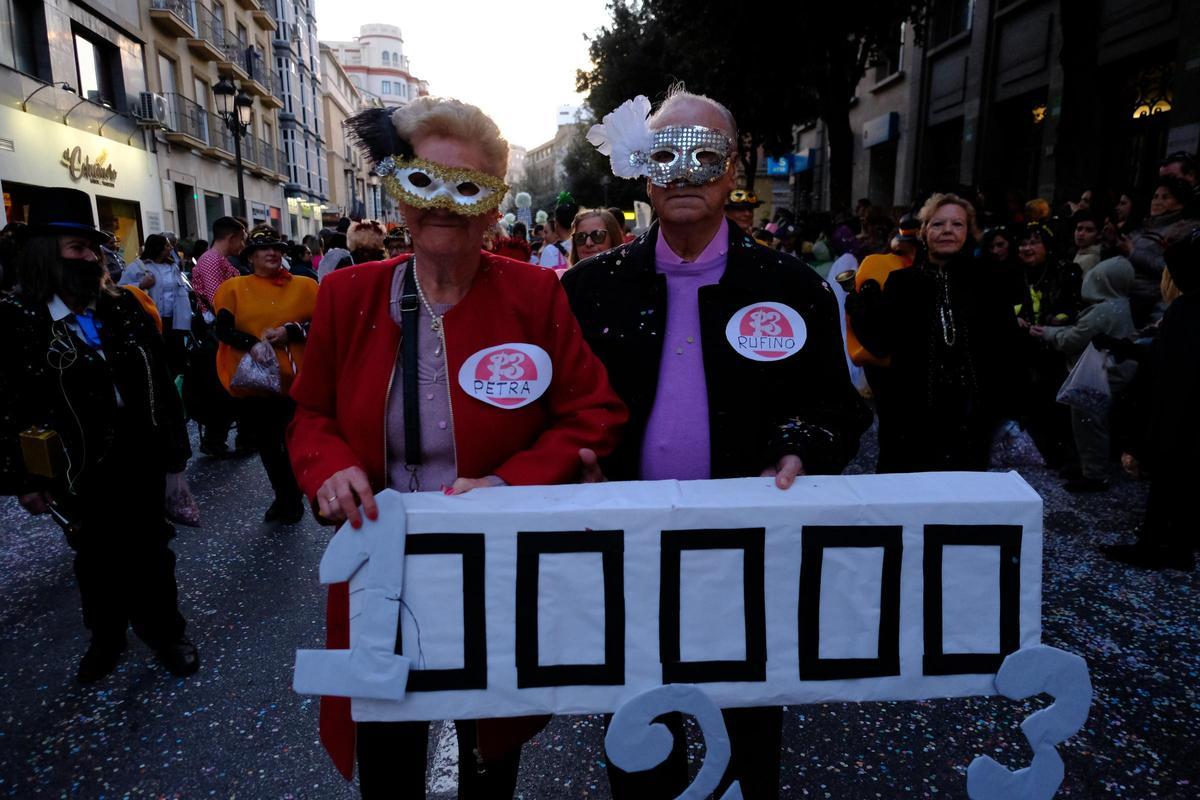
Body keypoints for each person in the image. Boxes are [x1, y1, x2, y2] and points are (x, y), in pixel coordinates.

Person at [293, 96, 628, 799]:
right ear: (398, 192)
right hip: (381, 559)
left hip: (495, 563)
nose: (443, 206)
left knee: (489, 752)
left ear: (493, 204)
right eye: (425, 183)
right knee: (387, 748)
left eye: (467, 187)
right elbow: (311, 416)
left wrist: (513, 483)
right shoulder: (347, 294)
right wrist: (329, 467)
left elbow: (593, 414)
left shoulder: (535, 293)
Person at [567, 87, 870, 800]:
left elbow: (837, 405)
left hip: (750, 550)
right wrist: (568, 464)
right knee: (639, 727)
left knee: (749, 728)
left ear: (732, 169)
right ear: (642, 170)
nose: (683, 174)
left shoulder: (793, 287)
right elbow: (559, 409)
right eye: (663, 156)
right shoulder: (587, 290)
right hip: (627, 549)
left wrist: (801, 445)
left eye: (704, 156)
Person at [0, 187, 198, 684]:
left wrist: (175, 458)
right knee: (95, 557)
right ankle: (106, 638)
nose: (91, 257)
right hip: (76, 464)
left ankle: (166, 633)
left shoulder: (123, 308)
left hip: (139, 453)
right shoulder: (18, 320)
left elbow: (159, 383)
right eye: (77, 249)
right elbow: (8, 404)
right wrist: (25, 478)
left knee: (152, 550)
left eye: (93, 248)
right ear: (47, 254)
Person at [847, 193, 1022, 471]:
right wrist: (860, 308)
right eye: (939, 224)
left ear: (969, 231)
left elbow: (1007, 345)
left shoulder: (988, 280)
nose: (948, 231)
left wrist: (995, 407)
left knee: (957, 501)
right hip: (910, 416)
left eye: (957, 224)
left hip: (970, 417)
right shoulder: (902, 282)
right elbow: (881, 342)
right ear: (924, 232)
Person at [1100, 230, 1199, 570]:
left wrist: (1141, 442)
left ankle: (1159, 546)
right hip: (1184, 418)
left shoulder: (1185, 311)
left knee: (1170, 481)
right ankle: (1175, 546)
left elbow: (1167, 376)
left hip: (1178, 419)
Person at [213, 225, 316, 524]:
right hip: (258, 385)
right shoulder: (232, 289)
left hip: (301, 383)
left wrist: (291, 331)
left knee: (299, 442)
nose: (272, 253)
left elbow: (324, 326)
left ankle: (300, 491)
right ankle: (286, 497)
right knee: (269, 445)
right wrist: (252, 344)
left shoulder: (307, 286)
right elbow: (223, 330)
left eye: (277, 248)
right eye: (263, 249)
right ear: (251, 256)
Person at [1031, 256, 1137, 491]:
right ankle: (1088, 464)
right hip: (1115, 371)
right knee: (1093, 422)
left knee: (1087, 420)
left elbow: (1074, 339)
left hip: (1099, 375)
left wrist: (1046, 333)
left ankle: (1094, 473)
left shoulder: (1102, 310)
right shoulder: (1120, 304)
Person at [1013, 222, 1082, 471]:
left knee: (1057, 404)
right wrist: (1015, 320)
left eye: (1033, 242)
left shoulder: (1064, 271)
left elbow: (1072, 307)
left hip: (1056, 348)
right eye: (1023, 243)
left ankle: (1066, 458)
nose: (1026, 248)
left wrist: (1053, 322)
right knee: (1031, 403)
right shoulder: (1012, 272)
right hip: (1024, 348)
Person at [190, 218, 247, 456]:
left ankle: (221, 438)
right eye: (242, 238)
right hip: (219, 333)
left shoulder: (216, 259)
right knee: (223, 388)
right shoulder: (211, 261)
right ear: (232, 237)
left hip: (223, 330)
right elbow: (218, 300)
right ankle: (216, 439)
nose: (243, 244)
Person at [1116, 176, 1196, 326]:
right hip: (1126, 295)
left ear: (1181, 203)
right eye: (1155, 196)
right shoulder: (1147, 225)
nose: (1157, 202)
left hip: (1149, 300)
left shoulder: (1184, 230)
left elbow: (1171, 269)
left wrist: (1134, 253)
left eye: (1165, 197)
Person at [119, 234, 194, 377]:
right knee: (158, 358)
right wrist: (140, 285)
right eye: (167, 245)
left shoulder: (173, 266)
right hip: (152, 320)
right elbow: (120, 289)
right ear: (157, 247)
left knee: (177, 358)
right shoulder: (138, 266)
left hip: (174, 320)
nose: (170, 248)